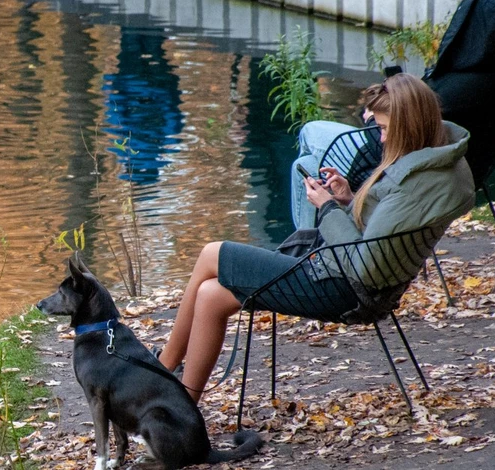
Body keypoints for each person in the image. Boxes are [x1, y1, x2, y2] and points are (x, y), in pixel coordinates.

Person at [157, 73, 475, 402]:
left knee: (212, 253)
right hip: (345, 277)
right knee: (211, 295)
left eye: (383, 129)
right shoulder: (434, 168)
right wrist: (348, 200)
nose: (380, 140)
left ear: (408, 126)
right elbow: (384, 232)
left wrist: (326, 209)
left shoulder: (413, 185)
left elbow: (365, 266)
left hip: (343, 288)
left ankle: (162, 371)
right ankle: (183, 404)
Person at [290, 0, 495, 230]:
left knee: (310, 133)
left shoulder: (458, 88)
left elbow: (413, 122)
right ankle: (315, 240)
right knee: (305, 166)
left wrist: (379, 117)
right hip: (467, 171)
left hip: (403, 165)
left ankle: (310, 243)